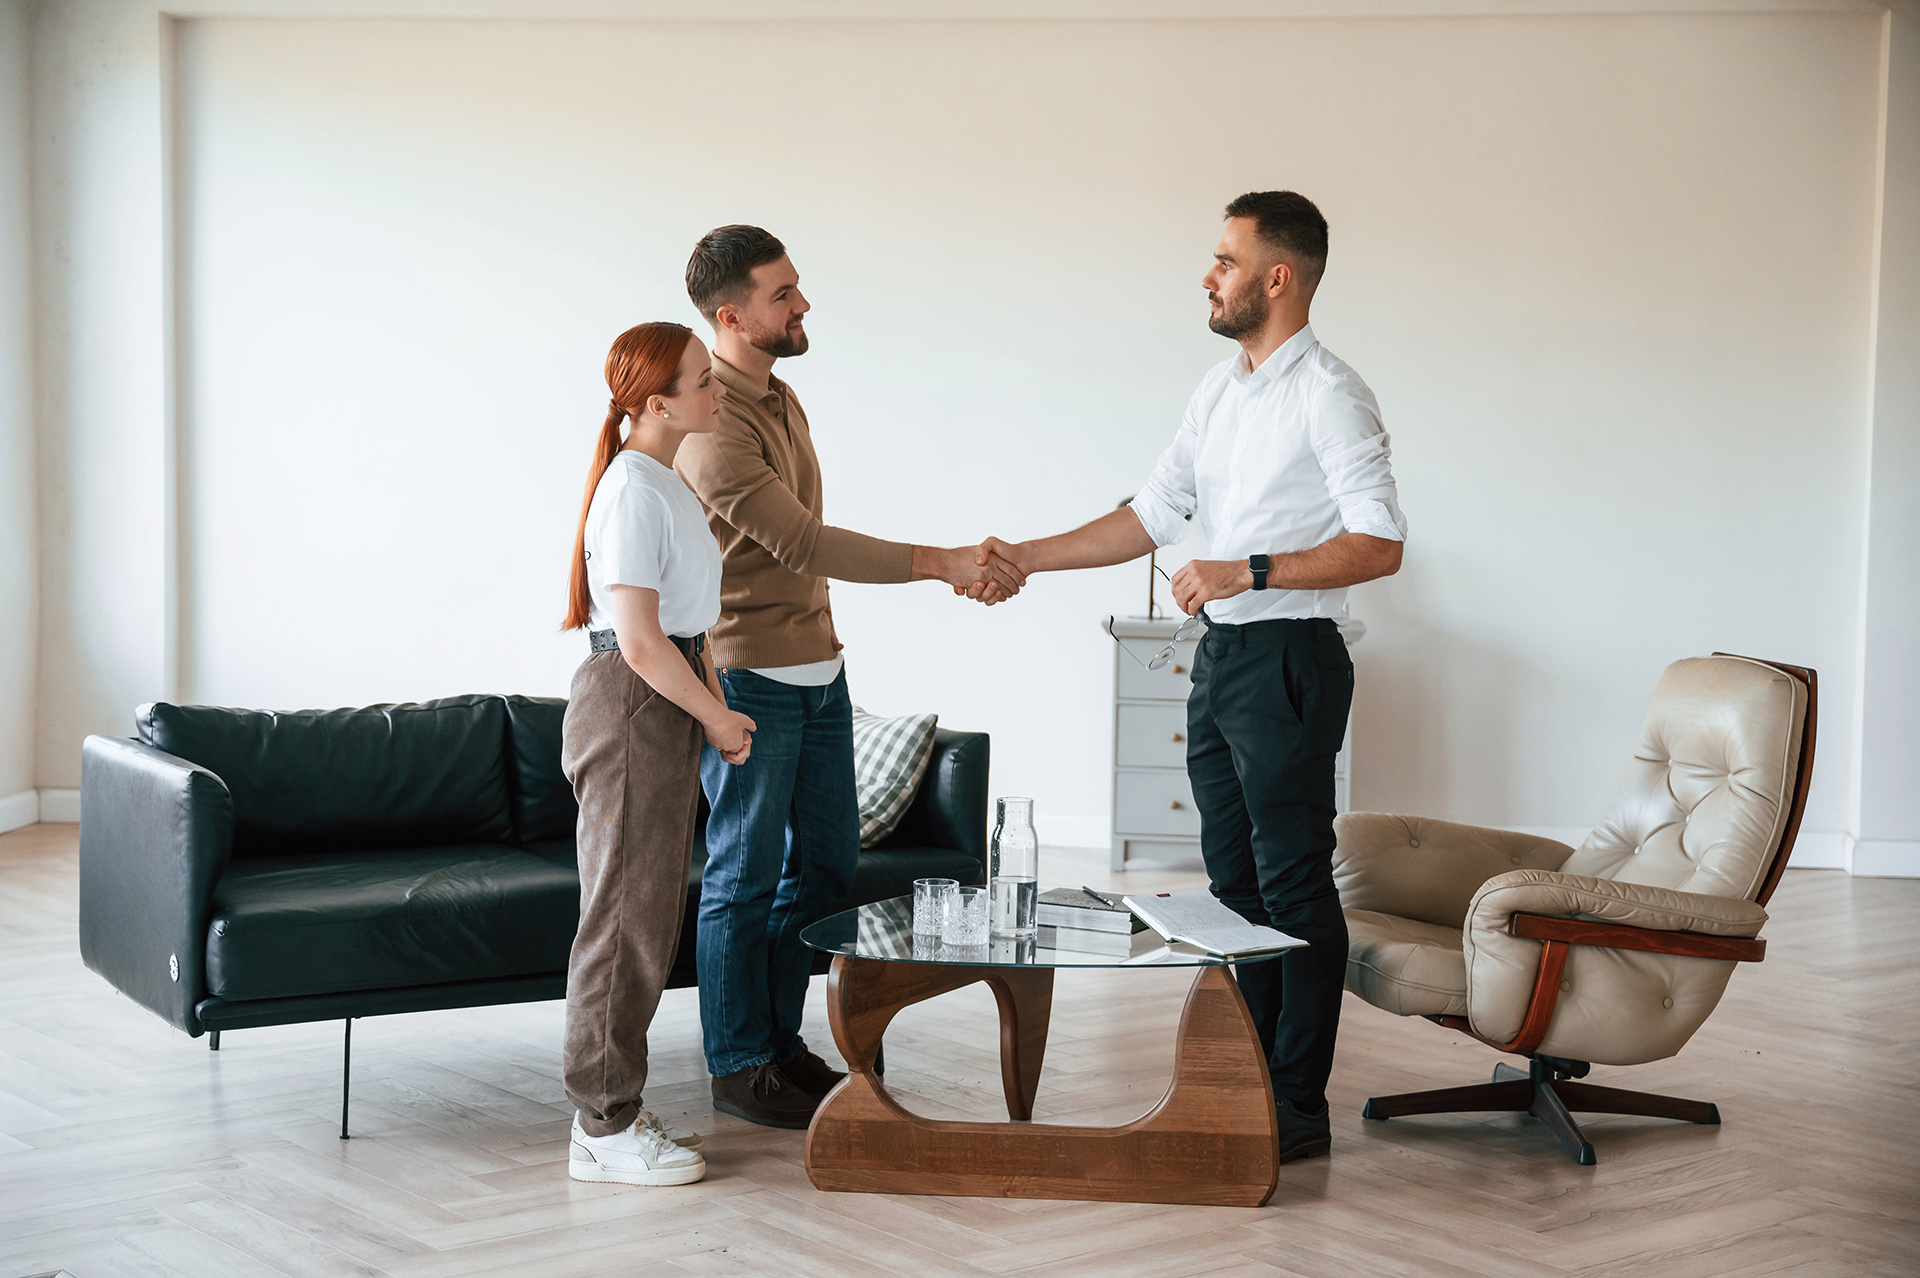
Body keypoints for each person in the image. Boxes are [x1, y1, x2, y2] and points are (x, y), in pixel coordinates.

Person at [974, 191, 1406, 1164]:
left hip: (1291, 654)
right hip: (1223, 657)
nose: (1208, 275)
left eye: (1225, 258)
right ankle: (1251, 1075)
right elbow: (1150, 513)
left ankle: (1297, 1106)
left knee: (1293, 882)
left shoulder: (1329, 394)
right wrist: (1026, 557)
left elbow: (1380, 542)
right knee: (1232, 879)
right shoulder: (1219, 391)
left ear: (1278, 277)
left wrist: (1247, 570)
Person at [675, 225, 1025, 1128]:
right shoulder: (711, 427)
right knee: (742, 877)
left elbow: (808, 546)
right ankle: (737, 1060)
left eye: (797, 288)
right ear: (732, 314)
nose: (801, 305)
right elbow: (802, 539)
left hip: (820, 675)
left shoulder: (783, 398)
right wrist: (945, 561)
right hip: (747, 679)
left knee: (826, 868)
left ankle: (780, 1046)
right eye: (782, 293)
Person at [558, 322, 758, 1185]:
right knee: (624, 922)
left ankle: (613, 1111)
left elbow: (677, 627)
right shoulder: (635, 489)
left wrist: (711, 707)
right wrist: (714, 716)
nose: (718, 392)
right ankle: (603, 1131)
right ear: (654, 403)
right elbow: (640, 642)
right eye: (703, 381)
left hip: (659, 702)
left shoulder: (660, 480)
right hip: (636, 705)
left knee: (646, 916)